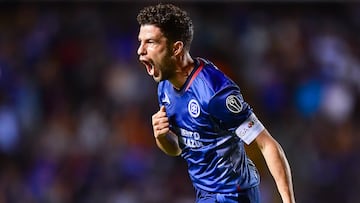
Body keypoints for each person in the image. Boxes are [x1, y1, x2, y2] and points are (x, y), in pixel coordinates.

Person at [136, 3, 295, 203]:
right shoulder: (165, 88)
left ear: (176, 48)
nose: (140, 50)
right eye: (140, 42)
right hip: (205, 196)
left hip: (234, 195)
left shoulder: (214, 92)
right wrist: (161, 137)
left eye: (150, 42)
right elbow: (177, 149)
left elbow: (267, 145)